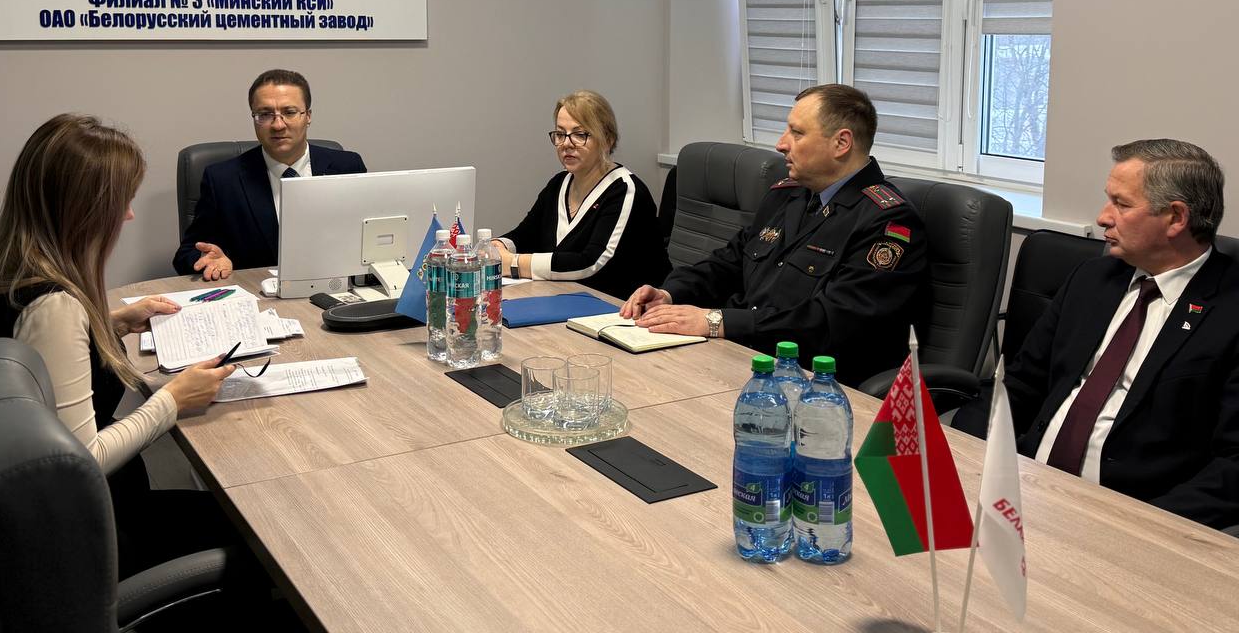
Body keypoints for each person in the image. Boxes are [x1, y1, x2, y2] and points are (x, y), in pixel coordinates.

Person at [0, 113, 238, 577]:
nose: (129, 215)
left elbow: (27, 353)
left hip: (14, 517)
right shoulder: (53, 304)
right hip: (88, 537)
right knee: (259, 529)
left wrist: (113, 323)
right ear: (84, 209)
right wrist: (173, 399)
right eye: (122, 202)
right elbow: (82, 458)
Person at [964, 139, 1239, 529]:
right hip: (1025, 484)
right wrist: (965, 452)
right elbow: (1020, 384)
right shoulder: (1092, 278)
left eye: (1121, 204)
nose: (1103, 217)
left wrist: (1141, 526)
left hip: (1131, 518)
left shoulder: (1229, 310)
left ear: (1176, 217)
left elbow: (1233, 466)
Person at [619, 84, 929, 387]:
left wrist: (717, 321)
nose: (781, 144)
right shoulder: (787, 195)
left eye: (797, 133)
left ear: (841, 143)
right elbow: (728, 263)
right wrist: (670, 293)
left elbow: (834, 321)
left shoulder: (887, 220)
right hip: (743, 357)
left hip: (818, 382)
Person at [173, 69, 367, 278]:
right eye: (265, 114)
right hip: (259, 291)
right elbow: (187, 254)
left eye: (289, 112)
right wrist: (211, 260)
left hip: (336, 288)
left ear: (308, 116)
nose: (278, 125)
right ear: (253, 118)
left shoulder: (348, 166)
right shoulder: (223, 180)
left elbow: (369, 239)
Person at [493, 90, 668, 300]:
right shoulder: (559, 183)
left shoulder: (624, 190)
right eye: (560, 134)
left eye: (580, 134)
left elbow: (591, 262)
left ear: (607, 140)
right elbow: (525, 234)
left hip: (622, 306)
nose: (566, 144)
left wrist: (512, 263)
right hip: (566, 298)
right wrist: (497, 247)